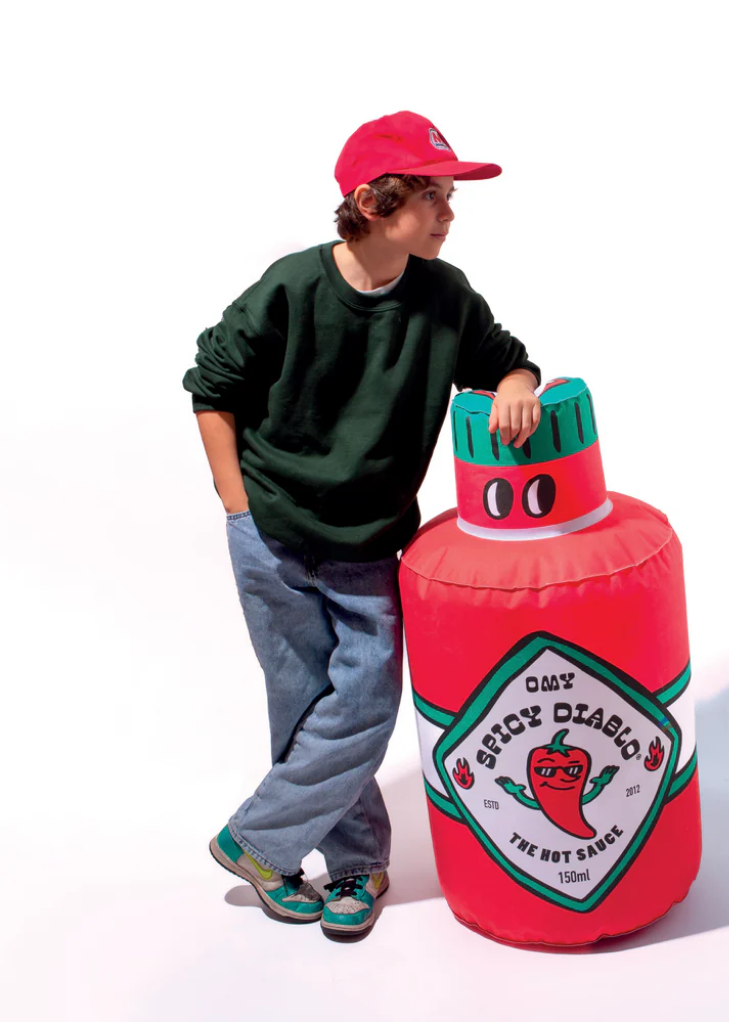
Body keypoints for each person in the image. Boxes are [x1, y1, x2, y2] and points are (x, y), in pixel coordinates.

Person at [181, 110, 543, 936]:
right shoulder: (292, 286)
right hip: (271, 530)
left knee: (365, 702)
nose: (450, 215)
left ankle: (257, 841)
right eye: (435, 198)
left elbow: (504, 356)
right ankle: (352, 867)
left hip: (370, 541)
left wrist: (517, 380)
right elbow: (213, 386)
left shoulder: (445, 297)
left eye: (452, 197)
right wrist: (237, 507)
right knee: (303, 704)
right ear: (377, 203)